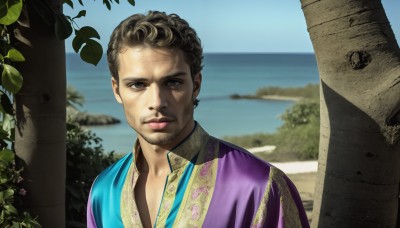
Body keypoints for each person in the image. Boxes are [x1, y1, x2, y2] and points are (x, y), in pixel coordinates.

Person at [86, 11, 309, 228]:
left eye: (173, 82)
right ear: (117, 90)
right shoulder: (104, 192)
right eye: (137, 85)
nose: (156, 101)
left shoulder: (258, 186)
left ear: (196, 85)